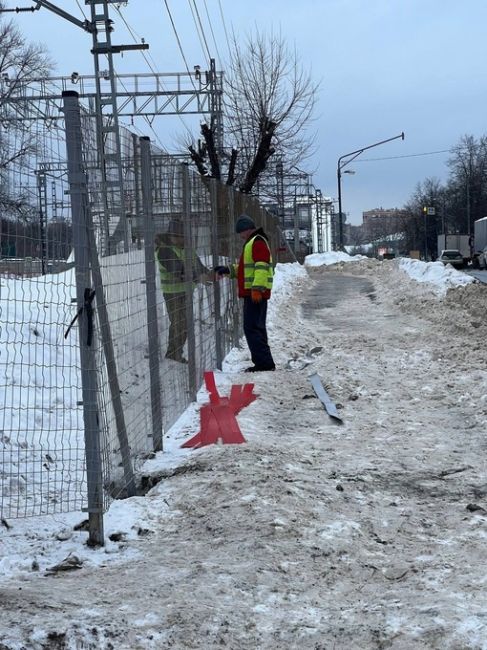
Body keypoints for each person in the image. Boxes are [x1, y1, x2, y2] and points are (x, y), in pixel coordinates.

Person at [215, 214, 275, 372]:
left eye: (241, 233)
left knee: (252, 328)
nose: (240, 236)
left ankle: (264, 363)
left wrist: (257, 289)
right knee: (257, 327)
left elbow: (261, 266)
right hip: (254, 293)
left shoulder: (257, 242)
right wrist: (228, 270)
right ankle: (265, 362)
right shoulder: (253, 242)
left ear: (247, 230)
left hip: (254, 294)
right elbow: (244, 268)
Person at [155, 220, 210, 362]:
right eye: (179, 236)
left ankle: (175, 353)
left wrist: (211, 274)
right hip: (172, 293)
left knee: (184, 325)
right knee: (179, 323)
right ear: (172, 236)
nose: (182, 239)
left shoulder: (187, 249)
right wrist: (199, 277)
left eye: (183, 236)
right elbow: (178, 270)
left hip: (186, 292)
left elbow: (199, 266)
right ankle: (173, 354)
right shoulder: (165, 250)